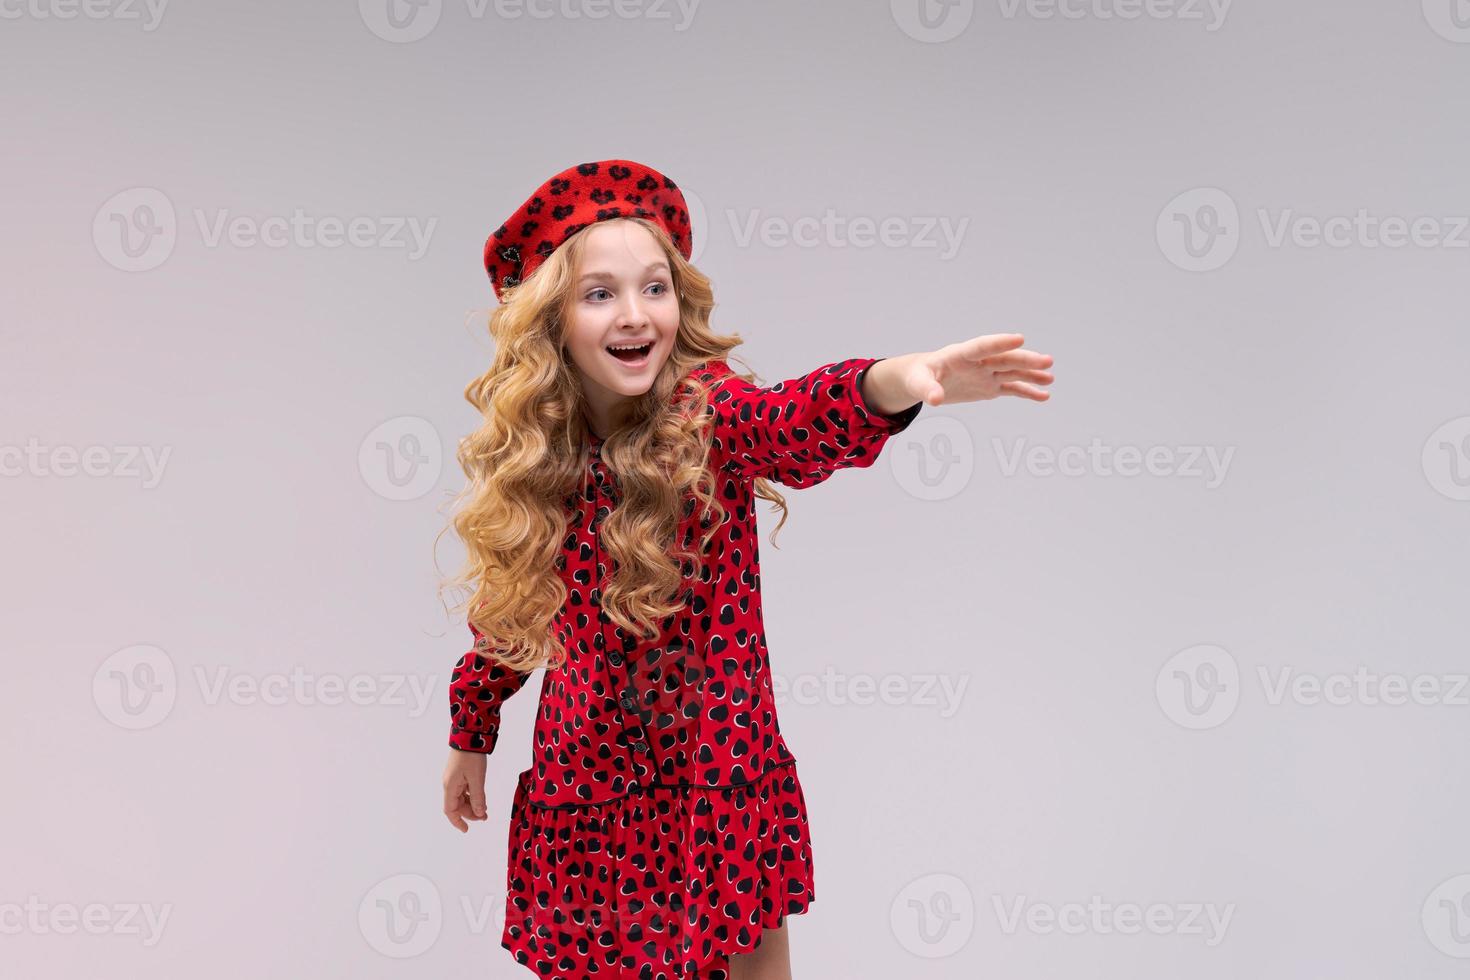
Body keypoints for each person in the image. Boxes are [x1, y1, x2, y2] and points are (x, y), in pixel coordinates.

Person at [438, 159, 1055, 980]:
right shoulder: (540, 463)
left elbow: (795, 421)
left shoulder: (710, 417)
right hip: (588, 795)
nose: (635, 314)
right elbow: (509, 611)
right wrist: (471, 731)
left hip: (714, 787)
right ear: (550, 321)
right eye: (600, 294)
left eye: (655, 288)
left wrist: (893, 384)